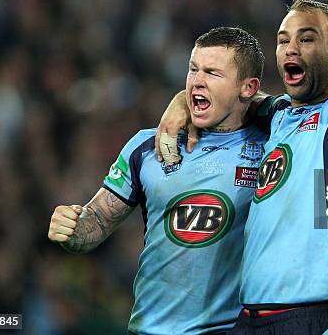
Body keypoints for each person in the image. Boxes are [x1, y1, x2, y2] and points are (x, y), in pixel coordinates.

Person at [157, 0, 328, 334]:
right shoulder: (278, 115)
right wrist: (182, 100)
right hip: (248, 318)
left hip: (310, 316)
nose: (290, 49)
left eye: (307, 38)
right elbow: (227, 97)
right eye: (283, 40)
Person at [48, 27, 268, 335]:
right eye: (193, 70)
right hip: (149, 329)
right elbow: (97, 220)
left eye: (213, 73)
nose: (197, 81)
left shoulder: (271, 147)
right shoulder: (147, 146)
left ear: (248, 88)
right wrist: (73, 228)